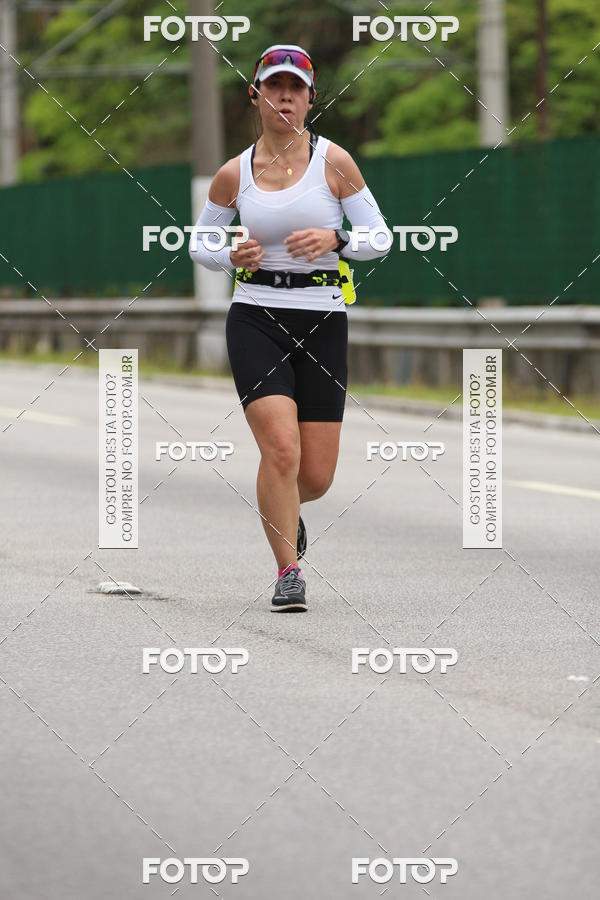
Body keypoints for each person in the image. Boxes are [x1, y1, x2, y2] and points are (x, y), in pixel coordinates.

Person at [189, 44, 390, 612]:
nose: (285, 98)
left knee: (316, 476)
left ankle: (282, 509)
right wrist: (232, 256)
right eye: (274, 87)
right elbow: (200, 242)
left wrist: (338, 240)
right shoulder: (235, 173)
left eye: (295, 89)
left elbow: (381, 237)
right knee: (280, 450)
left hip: (323, 317)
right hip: (256, 317)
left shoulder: (335, 163)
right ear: (256, 95)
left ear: (310, 99)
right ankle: (288, 572)